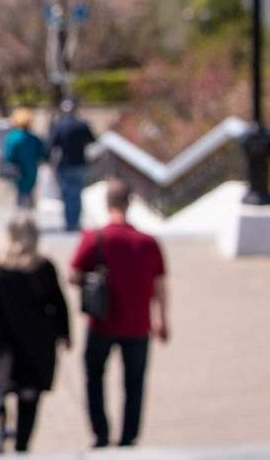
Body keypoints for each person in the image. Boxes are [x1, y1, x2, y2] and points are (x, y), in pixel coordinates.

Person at [70, 180, 169, 449]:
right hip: (139, 324)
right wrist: (162, 319)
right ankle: (128, 437)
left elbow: (74, 274)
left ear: (107, 204)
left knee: (94, 376)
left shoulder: (95, 238)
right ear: (130, 203)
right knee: (134, 383)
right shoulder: (148, 242)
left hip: (101, 322)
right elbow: (160, 284)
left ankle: (100, 432)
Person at [0, 214, 70, 454]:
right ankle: (22, 445)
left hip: (1, 342)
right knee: (29, 395)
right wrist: (64, 333)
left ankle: (0, 417)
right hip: (37, 342)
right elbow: (58, 303)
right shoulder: (42, 267)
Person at [48, 97, 96, 232]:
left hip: (64, 164)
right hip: (80, 163)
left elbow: (51, 145)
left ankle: (69, 222)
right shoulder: (82, 125)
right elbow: (93, 141)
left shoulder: (58, 125)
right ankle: (75, 221)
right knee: (77, 194)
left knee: (67, 194)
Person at [2, 108, 47, 208]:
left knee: (19, 195)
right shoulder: (34, 138)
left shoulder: (12, 137)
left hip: (17, 171)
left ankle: (21, 217)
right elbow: (43, 154)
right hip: (31, 170)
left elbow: (8, 155)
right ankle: (28, 217)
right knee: (29, 194)